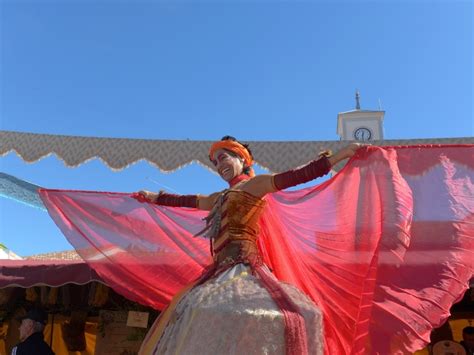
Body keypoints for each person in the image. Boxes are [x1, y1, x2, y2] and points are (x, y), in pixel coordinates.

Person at [136, 136, 362, 355]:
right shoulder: (219, 197)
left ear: (242, 160)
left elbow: (296, 176)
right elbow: (188, 200)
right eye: (215, 162)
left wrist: (340, 156)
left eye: (223, 158)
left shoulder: (255, 184)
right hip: (220, 270)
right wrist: (155, 197)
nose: (218, 165)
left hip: (244, 267)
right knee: (190, 310)